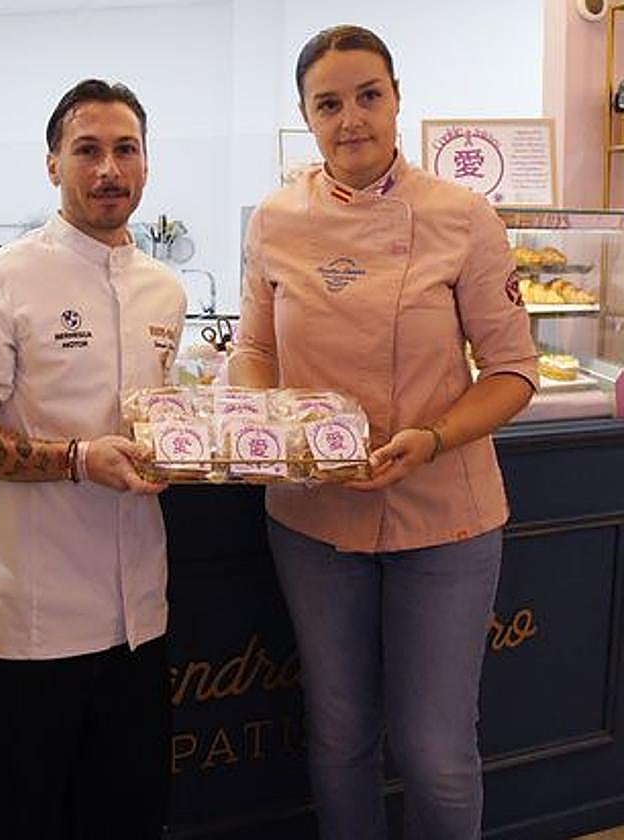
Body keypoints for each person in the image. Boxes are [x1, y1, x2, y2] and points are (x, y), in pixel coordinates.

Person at [229, 24, 538, 840]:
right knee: (337, 736)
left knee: (436, 751)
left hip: (446, 515)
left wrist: (430, 439)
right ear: (306, 115)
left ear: (397, 99)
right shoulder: (273, 220)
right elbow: (253, 349)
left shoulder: (462, 216)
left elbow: (513, 371)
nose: (351, 118)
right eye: (328, 104)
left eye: (368, 96)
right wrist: (272, 429)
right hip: (312, 518)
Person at [0, 78, 186, 840]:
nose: (109, 168)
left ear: (145, 163)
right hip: (26, 622)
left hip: (139, 612)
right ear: (52, 165)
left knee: (129, 820)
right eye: (88, 150)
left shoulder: (164, 290)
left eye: (125, 150)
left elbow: (160, 417)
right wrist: (77, 460)